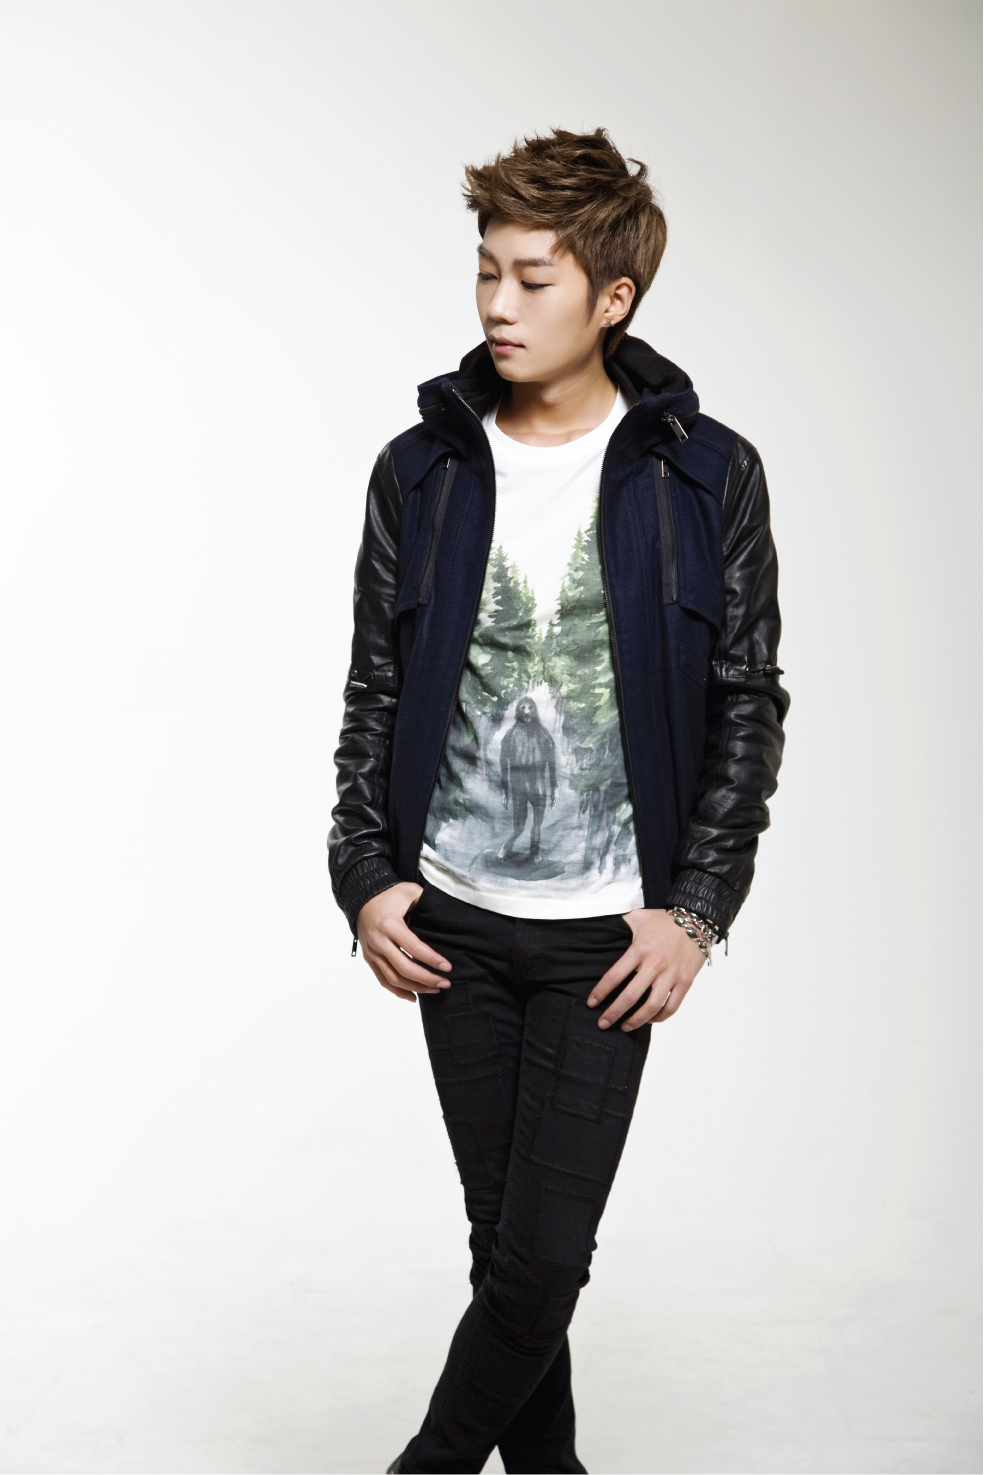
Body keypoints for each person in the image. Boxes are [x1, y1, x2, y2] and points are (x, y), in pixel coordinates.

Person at [328, 127, 788, 1475]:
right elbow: (372, 688)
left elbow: (747, 701)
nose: (498, 304)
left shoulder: (706, 473)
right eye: (487, 271)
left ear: (613, 298)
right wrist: (365, 876)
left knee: (541, 1261)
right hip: (452, 924)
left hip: (606, 935)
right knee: (508, 1257)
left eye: (533, 279)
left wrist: (696, 911)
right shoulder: (422, 469)